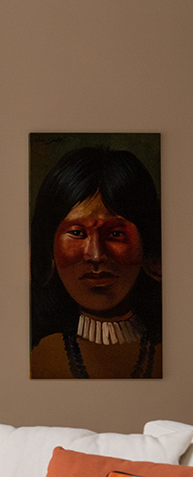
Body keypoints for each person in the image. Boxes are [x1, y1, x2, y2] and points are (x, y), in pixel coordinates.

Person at [29, 145, 162, 379]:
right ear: (48, 245)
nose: (96, 255)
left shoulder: (172, 354)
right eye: (78, 233)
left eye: (115, 234)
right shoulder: (39, 356)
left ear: (148, 246)